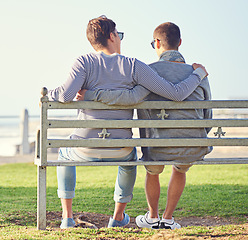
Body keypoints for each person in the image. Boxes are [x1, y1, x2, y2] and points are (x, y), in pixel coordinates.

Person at [47, 16, 208, 229]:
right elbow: (173, 93)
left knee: (64, 154)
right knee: (129, 159)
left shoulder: (83, 62)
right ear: (112, 36)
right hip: (120, 147)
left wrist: (49, 93)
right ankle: (118, 216)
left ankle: (67, 217)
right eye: (119, 35)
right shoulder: (134, 66)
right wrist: (198, 75)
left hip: (85, 146)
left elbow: (65, 95)